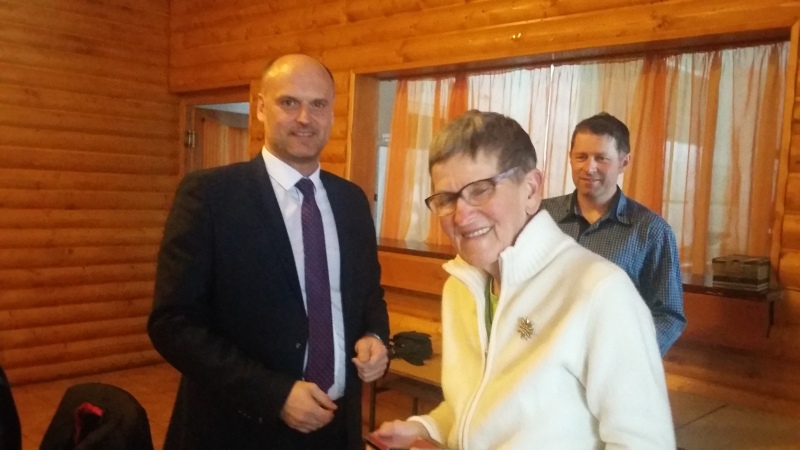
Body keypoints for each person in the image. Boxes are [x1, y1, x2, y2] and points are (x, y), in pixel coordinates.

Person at [373, 110, 675, 449]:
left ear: (530, 190)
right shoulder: (461, 286)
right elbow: (475, 408)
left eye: (481, 190)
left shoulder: (600, 291)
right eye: (447, 199)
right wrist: (425, 428)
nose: (461, 215)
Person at [148, 54, 389, 450]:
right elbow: (172, 323)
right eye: (289, 102)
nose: (305, 118)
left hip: (336, 427)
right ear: (261, 107)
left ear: (332, 112)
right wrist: (273, 394)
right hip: (238, 428)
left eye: (318, 104)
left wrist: (375, 335)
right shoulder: (210, 196)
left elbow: (368, 296)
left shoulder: (352, 202)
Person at [542, 112, 686, 355]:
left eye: (601, 158)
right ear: (570, 158)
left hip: (610, 362)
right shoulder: (541, 216)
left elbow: (668, 315)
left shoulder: (651, 231)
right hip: (543, 358)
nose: (589, 168)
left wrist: (629, 358)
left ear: (624, 162)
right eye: (581, 157)